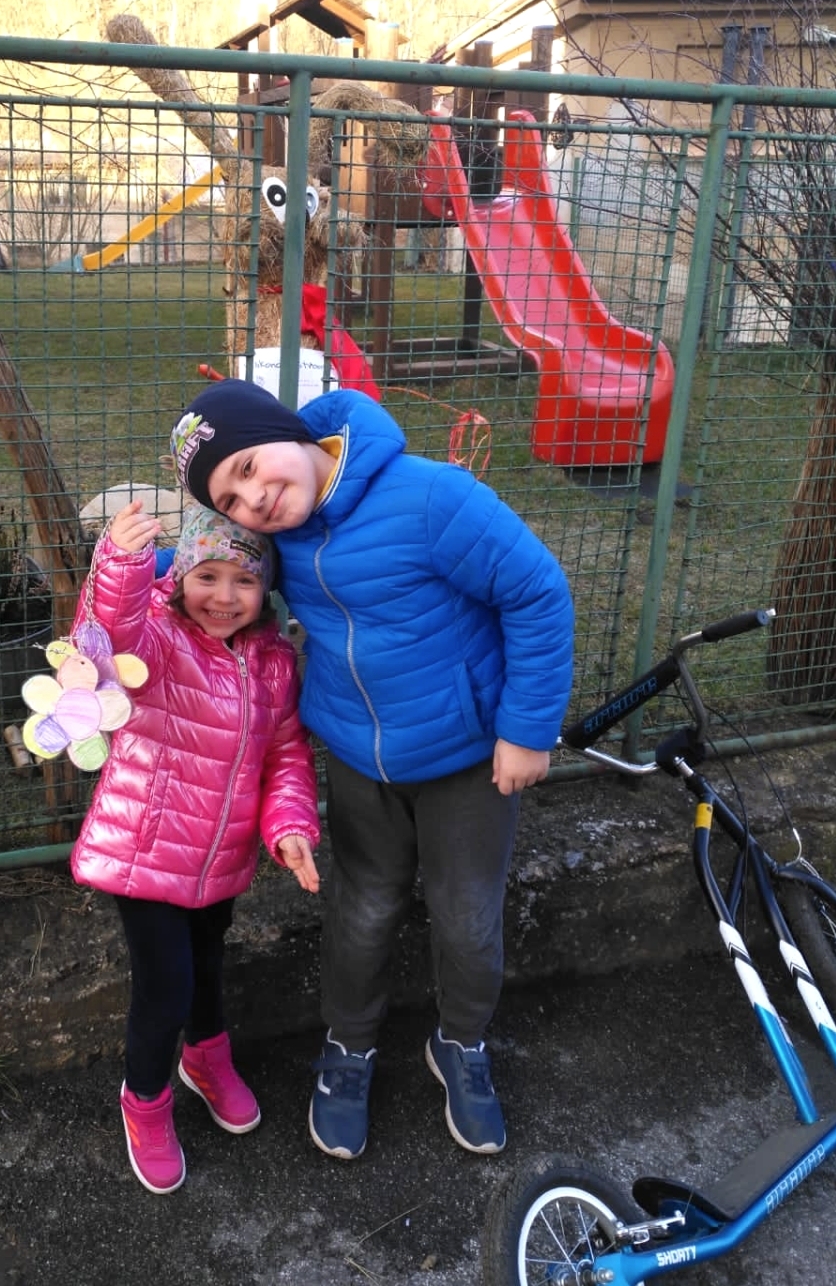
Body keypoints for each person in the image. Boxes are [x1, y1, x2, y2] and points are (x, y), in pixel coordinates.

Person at [170, 378, 574, 1162]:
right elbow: (196, 570)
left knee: (467, 916)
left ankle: (461, 1043)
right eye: (231, 497)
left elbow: (537, 593)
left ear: (288, 431)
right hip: (358, 757)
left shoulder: (430, 497)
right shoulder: (277, 538)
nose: (254, 498)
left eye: (249, 466)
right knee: (361, 909)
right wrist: (121, 569)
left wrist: (527, 730)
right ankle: (349, 1047)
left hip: (467, 759)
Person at [70, 500, 321, 1195]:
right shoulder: (156, 637)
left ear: (265, 589)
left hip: (222, 858)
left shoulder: (274, 661)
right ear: (179, 578)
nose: (224, 597)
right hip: (144, 851)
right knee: (167, 984)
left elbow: (286, 753)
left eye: (244, 581)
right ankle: (146, 1100)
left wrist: (290, 828)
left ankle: (206, 1057)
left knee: (207, 962)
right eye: (207, 576)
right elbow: (107, 635)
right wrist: (119, 564)